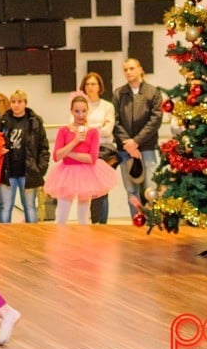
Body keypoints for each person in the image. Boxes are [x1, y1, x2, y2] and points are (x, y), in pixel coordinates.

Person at [45, 94, 118, 225]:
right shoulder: (63, 130)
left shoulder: (93, 132)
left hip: (87, 174)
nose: (80, 115)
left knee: (84, 216)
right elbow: (56, 156)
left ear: (88, 111)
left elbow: (92, 158)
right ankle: (60, 237)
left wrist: (68, 153)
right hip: (66, 174)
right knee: (61, 215)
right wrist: (74, 141)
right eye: (77, 111)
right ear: (71, 111)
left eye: (84, 111)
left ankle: (83, 238)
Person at [112, 59, 163, 217]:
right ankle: (137, 221)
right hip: (125, 150)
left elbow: (155, 120)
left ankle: (152, 222)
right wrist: (128, 144)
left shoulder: (153, 92)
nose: (128, 72)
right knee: (131, 191)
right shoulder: (119, 93)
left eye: (131, 68)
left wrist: (136, 141)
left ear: (140, 69)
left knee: (151, 189)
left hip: (147, 148)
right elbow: (115, 121)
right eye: (125, 69)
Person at [0, 90, 49, 224]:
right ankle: (3, 235)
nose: (16, 105)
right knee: (5, 207)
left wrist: (40, 169)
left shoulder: (35, 122)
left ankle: (32, 234)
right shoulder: (3, 121)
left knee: (30, 207)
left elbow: (43, 147)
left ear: (25, 103)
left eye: (19, 102)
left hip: (28, 172)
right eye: (13, 102)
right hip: (7, 172)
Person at [81, 72, 117, 224]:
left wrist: (89, 128)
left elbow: (108, 131)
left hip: (105, 151)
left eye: (93, 84)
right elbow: (77, 130)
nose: (90, 87)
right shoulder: (80, 106)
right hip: (86, 151)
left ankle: (101, 224)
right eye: (87, 84)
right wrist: (98, 126)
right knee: (90, 190)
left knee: (102, 191)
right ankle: (93, 223)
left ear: (99, 87)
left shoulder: (108, 106)